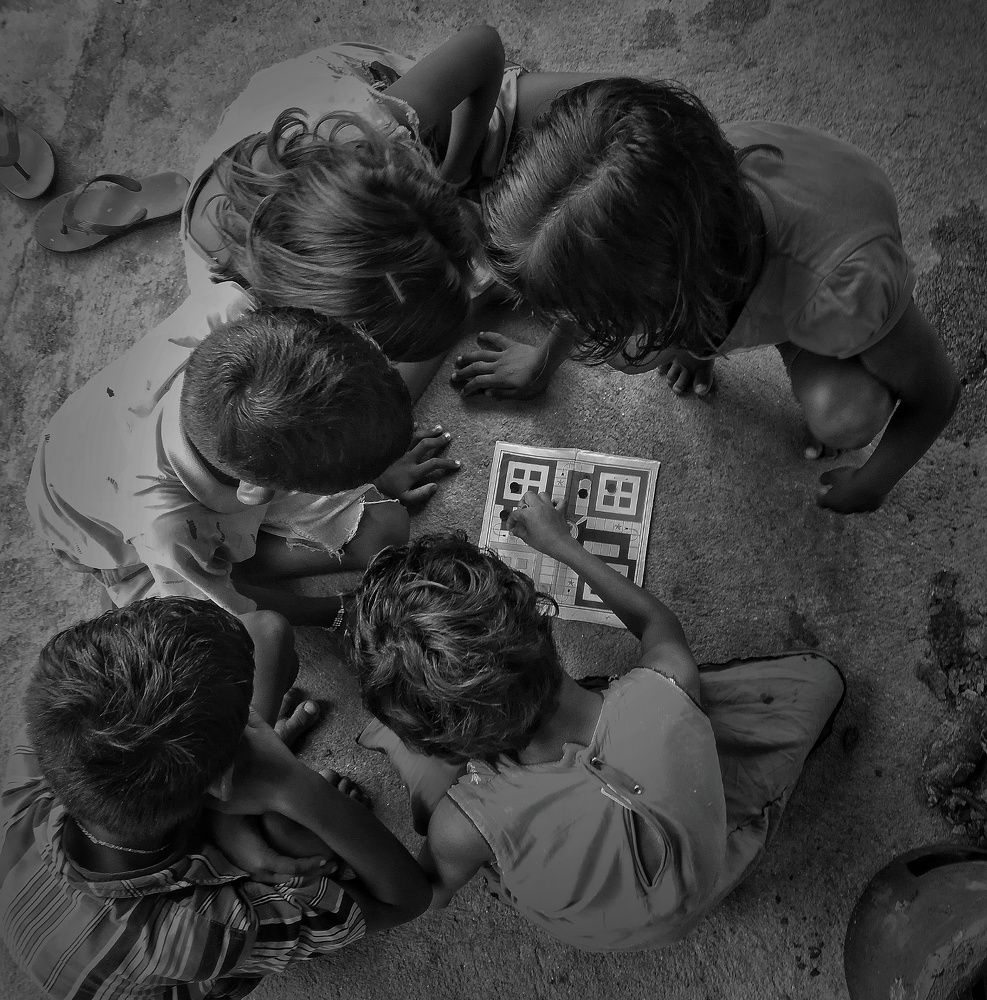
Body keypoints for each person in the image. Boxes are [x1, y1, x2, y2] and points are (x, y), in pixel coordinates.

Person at [351, 496, 845, 951]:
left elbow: (429, 893)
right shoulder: (666, 683)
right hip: (703, 868)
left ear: (443, 744)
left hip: (603, 928)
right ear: (539, 618)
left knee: (432, 797)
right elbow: (656, 624)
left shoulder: (462, 825)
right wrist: (561, 544)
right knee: (815, 682)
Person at [452, 78, 960, 513]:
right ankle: (705, 337)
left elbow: (937, 394)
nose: (582, 324)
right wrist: (543, 362)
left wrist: (873, 484)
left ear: (682, 296)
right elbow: (591, 267)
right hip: (738, 267)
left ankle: (772, 338)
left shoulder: (852, 288)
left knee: (845, 417)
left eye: (598, 313)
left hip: (820, 283)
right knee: (638, 350)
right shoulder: (663, 171)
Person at [0, 597, 430, 1000]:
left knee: (269, 638)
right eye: (250, 726)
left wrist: (230, 818)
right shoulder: (195, 933)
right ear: (223, 787)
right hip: (172, 953)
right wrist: (295, 787)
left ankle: (224, 784)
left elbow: (264, 629)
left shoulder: (53, 730)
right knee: (294, 838)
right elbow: (404, 900)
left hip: (143, 841)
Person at [182, 26, 611, 397]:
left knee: (612, 125)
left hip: (384, 113)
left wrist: (456, 170)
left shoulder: (374, 128)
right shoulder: (243, 302)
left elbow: (482, 45)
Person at [27, 306, 458, 628]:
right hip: (105, 535)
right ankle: (200, 567)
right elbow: (235, 611)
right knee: (188, 614)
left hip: (196, 454)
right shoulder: (167, 530)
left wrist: (374, 465)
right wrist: (341, 612)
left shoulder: (234, 314)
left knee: (386, 531)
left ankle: (228, 551)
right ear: (258, 492)